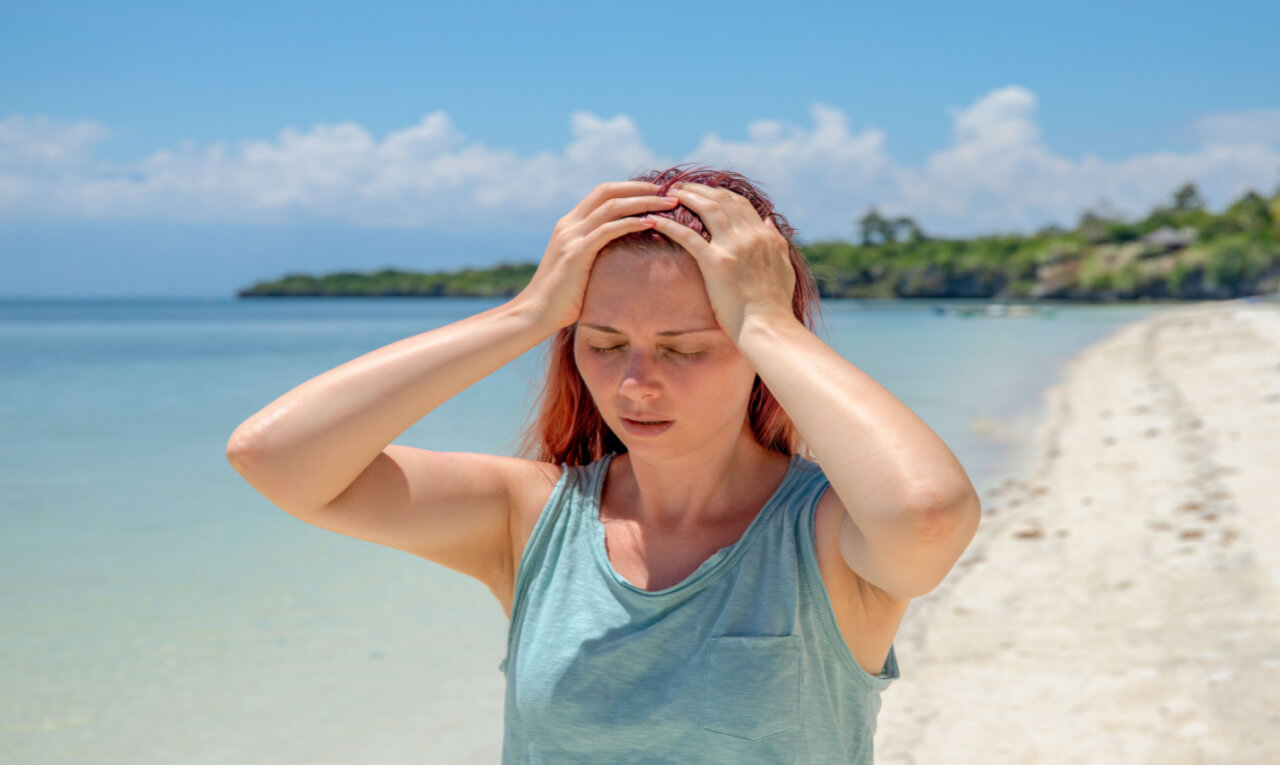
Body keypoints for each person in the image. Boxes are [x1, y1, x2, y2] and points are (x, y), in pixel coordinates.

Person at [226, 165, 981, 763]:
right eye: (603, 341)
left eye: (687, 347)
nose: (636, 382)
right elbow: (276, 457)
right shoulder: (530, 515)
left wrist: (766, 321)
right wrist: (524, 314)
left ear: (760, 353)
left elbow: (926, 514)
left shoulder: (823, 531)